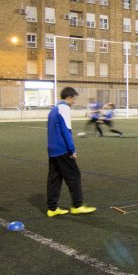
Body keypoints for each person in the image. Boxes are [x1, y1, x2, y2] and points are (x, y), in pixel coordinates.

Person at [46, 87, 96, 217]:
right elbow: (66, 130)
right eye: (74, 99)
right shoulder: (64, 108)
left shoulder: (53, 110)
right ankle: (77, 206)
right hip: (62, 149)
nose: (74, 102)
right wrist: (72, 149)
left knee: (54, 178)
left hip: (52, 149)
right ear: (69, 97)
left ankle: (52, 209)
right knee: (74, 175)